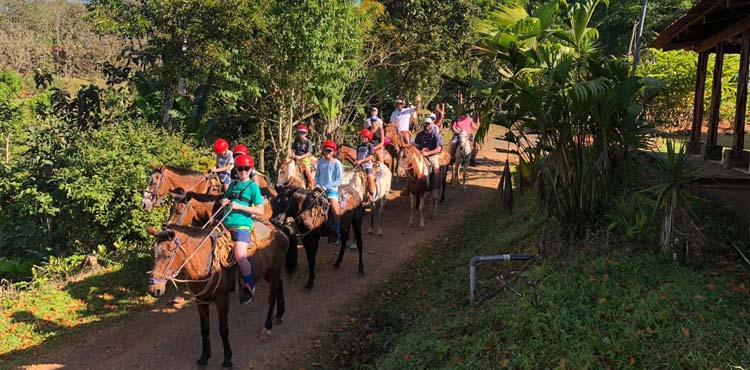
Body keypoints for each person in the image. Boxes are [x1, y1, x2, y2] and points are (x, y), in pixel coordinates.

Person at [220, 154, 266, 304]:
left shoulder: (253, 187)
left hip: (242, 224)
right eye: (240, 169)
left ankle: (249, 285)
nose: (243, 171)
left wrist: (239, 206)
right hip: (226, 222)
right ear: (236, 169)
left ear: (251, 169)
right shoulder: (232, 185)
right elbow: (226, 199)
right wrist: (224, 201)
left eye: (246, 169)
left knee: (240, 255)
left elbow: (260, 211)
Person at [315, 140, 343, 244]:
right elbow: (317, 175)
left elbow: (339, 179)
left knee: (335, 209)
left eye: (330, 151)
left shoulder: (337, 163)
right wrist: (317, 185)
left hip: (331, 190)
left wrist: (326, 187)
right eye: (326, 150)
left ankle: (337, 231)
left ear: (334, 152)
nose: (328, 152)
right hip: (319, 189)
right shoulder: (320, 162)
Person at [414, 117, 443, 182]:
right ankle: (408, 186)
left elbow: (439, 148)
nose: (427, 125)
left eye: (428, 124)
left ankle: (436, 186)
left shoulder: (435, 134)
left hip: (432, 155)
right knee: (411, 164)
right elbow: (417, 145)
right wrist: (415, 146)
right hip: (420, 154)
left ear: (431, 125)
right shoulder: (419, 134)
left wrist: (427, 153)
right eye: (425, 124)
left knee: (436, 168)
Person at [291, 125, 316, 189]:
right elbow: (293, 149)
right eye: (300, 132)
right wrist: (293, 154)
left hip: (305, 158)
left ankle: (311, 184)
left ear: (306, 133)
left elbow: (309, 153)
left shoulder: (308, 141)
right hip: (296, 157)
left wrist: (300, 157)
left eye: (303, 133)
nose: (301, 134)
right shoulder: (296, 140)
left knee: (307, 170)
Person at [355, 129, 376, 205]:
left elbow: (370, 157)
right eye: (363, 137)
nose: (364, 138)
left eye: (365, 137)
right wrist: (356, 161)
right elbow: (357, 157)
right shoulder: (359, 146)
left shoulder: (370, 145)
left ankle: (372, 194)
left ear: (368, 138)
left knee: (370, 177)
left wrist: (361, 161)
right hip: (359, 166)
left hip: (367, 166)